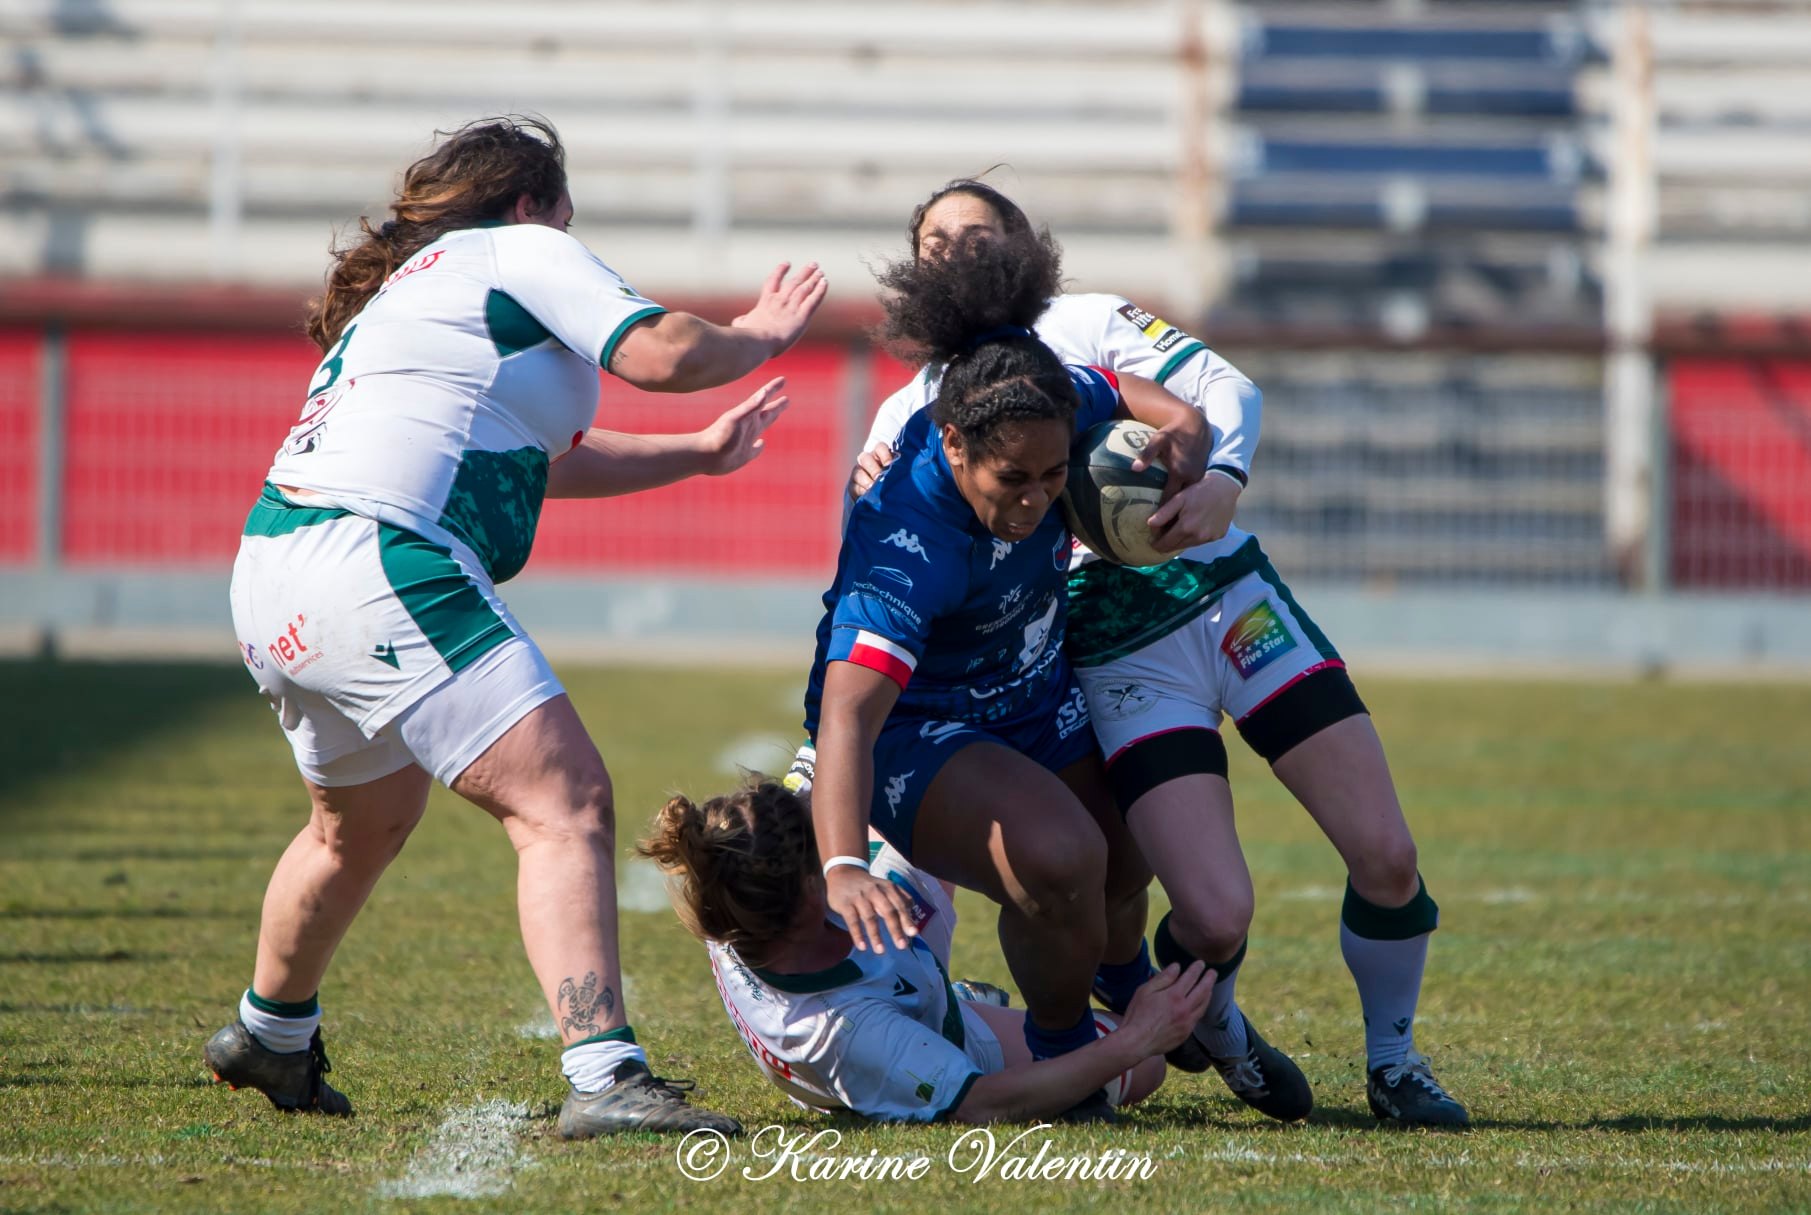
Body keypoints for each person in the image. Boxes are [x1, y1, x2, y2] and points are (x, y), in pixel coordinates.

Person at [208, 116, 826, 1138]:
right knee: (565, 799)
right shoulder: (520, 250)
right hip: (378, 561)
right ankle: (604, 1074)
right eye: (570, 216)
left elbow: (540, 458)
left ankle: (268, 1031)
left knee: (354, 829)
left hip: (278, 565)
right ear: (533, 203)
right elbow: (661, 350)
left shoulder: (421, 295)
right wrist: (757, 332)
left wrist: (696, 453)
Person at [846, 179, 1470, 1129]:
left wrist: (1220, 475)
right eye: (935, 240)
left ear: (1022, 245)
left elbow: (1223, 390)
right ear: (912, 265)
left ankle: (1394, 1060)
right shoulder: (908, 415)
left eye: (980, 233)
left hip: (1226, 596)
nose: (958, 251)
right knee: (1208, 911)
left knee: (1386, 852)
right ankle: (1210, 1024)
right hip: (1105, 640)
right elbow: (882, 570)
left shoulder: (1088, 324)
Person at [801, 218, 1212, 1123]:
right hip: (922, 727)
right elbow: (847, 720)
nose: (1033, 500)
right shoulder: (906, 545)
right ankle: (1069, 1052)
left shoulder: (1043, 396)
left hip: (1029, 693)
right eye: (1010, 480)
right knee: (1061, 857)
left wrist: (1185, 427)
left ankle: (1125, 978)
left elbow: (1122, 390)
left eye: (1050, 476)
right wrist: (839, 865)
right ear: (951, 443)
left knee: (1128, 844)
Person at [638, 779, 1215, 1123]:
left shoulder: (734, 889)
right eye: (825, 855)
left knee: (918, 796)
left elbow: (832, 763)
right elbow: (980, 1105)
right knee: (1144, 1067)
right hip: (910, 1028)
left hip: (869, 962)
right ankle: (955, 1007)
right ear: (813, 890)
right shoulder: (845, 1032)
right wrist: (1140, 1037)